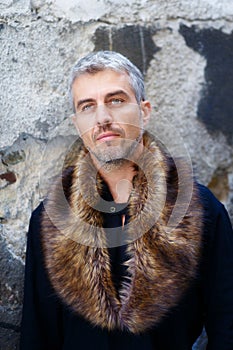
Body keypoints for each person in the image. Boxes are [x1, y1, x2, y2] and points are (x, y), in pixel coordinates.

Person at [20, 51, 233, 350]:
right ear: (77, 123)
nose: (103, 118)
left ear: (144, 111)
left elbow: (228, 326)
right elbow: (37, 335)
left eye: (116, 100)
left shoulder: (200, 210)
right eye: (87, 106)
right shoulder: (51, 219)